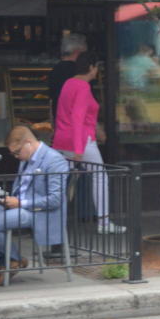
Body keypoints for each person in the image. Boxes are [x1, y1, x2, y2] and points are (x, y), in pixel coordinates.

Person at [52, 53, 125, 235]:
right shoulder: (83, 86)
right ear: (91, 67)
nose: (98, 71)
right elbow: (78, 117)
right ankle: (104, 222)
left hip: (62, 139)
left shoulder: (68, 83)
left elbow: (64, 114)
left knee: (59, 180)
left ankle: (52, 221)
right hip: (81, 141)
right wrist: (78, 148)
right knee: (100, 176)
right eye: (97, 67)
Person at [0, 126, 69, 286]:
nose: (16, 157)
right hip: (22, 206)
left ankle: (12, 261)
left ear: (28, 143)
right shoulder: (27, 158)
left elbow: (55, 200)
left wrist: (20, 203)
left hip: (40, 212)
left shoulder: (54, 160)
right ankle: (12, 260)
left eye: (16, 152)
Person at [48, 32, 87, 121]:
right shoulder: (79, 71)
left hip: (60, 121)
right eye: (84, 53)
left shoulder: (55, 70)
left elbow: (51, 101)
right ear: (77, 51)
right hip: (75, 122)